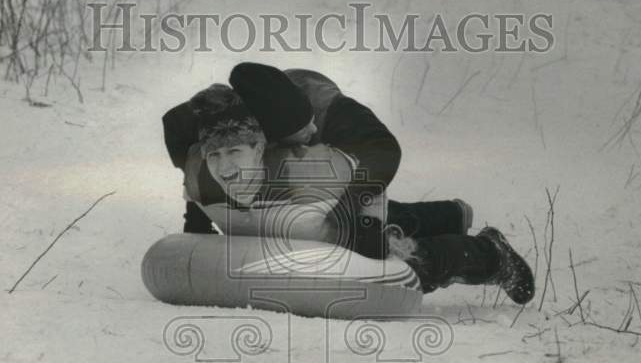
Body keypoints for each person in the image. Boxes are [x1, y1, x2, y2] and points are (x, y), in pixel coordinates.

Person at [179, 84, 535, 304]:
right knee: (316, 222)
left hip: (346, 138)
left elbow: (369, 178)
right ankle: (448, 215)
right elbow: (197, 189)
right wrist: (197, 229)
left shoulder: (307, 167)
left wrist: (366, 232)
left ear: (259, 149)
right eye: (215, 155)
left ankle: (490, 254)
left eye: (235, 153)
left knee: (377, 249)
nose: (224, 168)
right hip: (305, 164)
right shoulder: (202, 171)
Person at [162, 62, 473, 240]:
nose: (310, 130)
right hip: (273, 131)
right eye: (303, 129)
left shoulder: (334, 114)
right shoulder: (228, 115)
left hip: (345, 139)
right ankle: (451, 214)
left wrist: (352, 209)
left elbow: (385, 152)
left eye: (311, 125)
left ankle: (448, 216)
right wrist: (199, 212)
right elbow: (190, 148)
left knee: (342, 210)